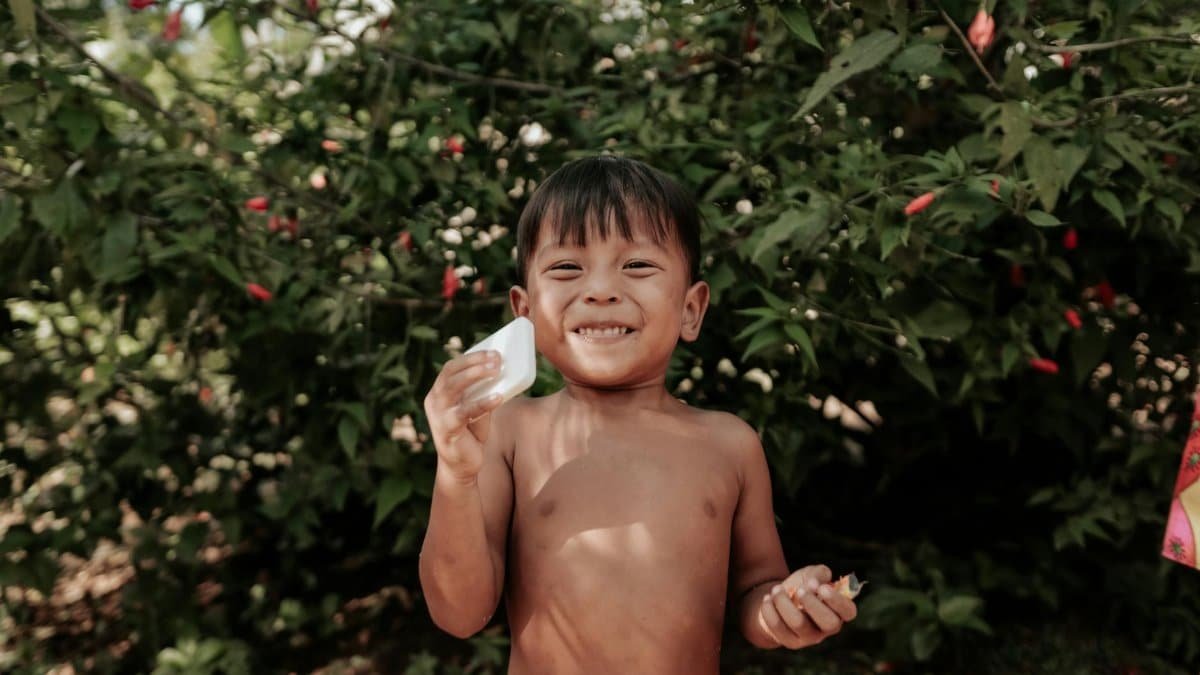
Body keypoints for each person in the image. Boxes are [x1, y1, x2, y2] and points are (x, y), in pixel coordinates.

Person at [419, 156, 857, 673]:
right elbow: (458, 614)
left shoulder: (728, 444)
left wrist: (786, 607)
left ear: (691, 310)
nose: (601, 289)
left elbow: (754, 594)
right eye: (566, 267)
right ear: (525, 312)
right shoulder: (510, 432)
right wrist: (455, 475)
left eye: (637, 266)